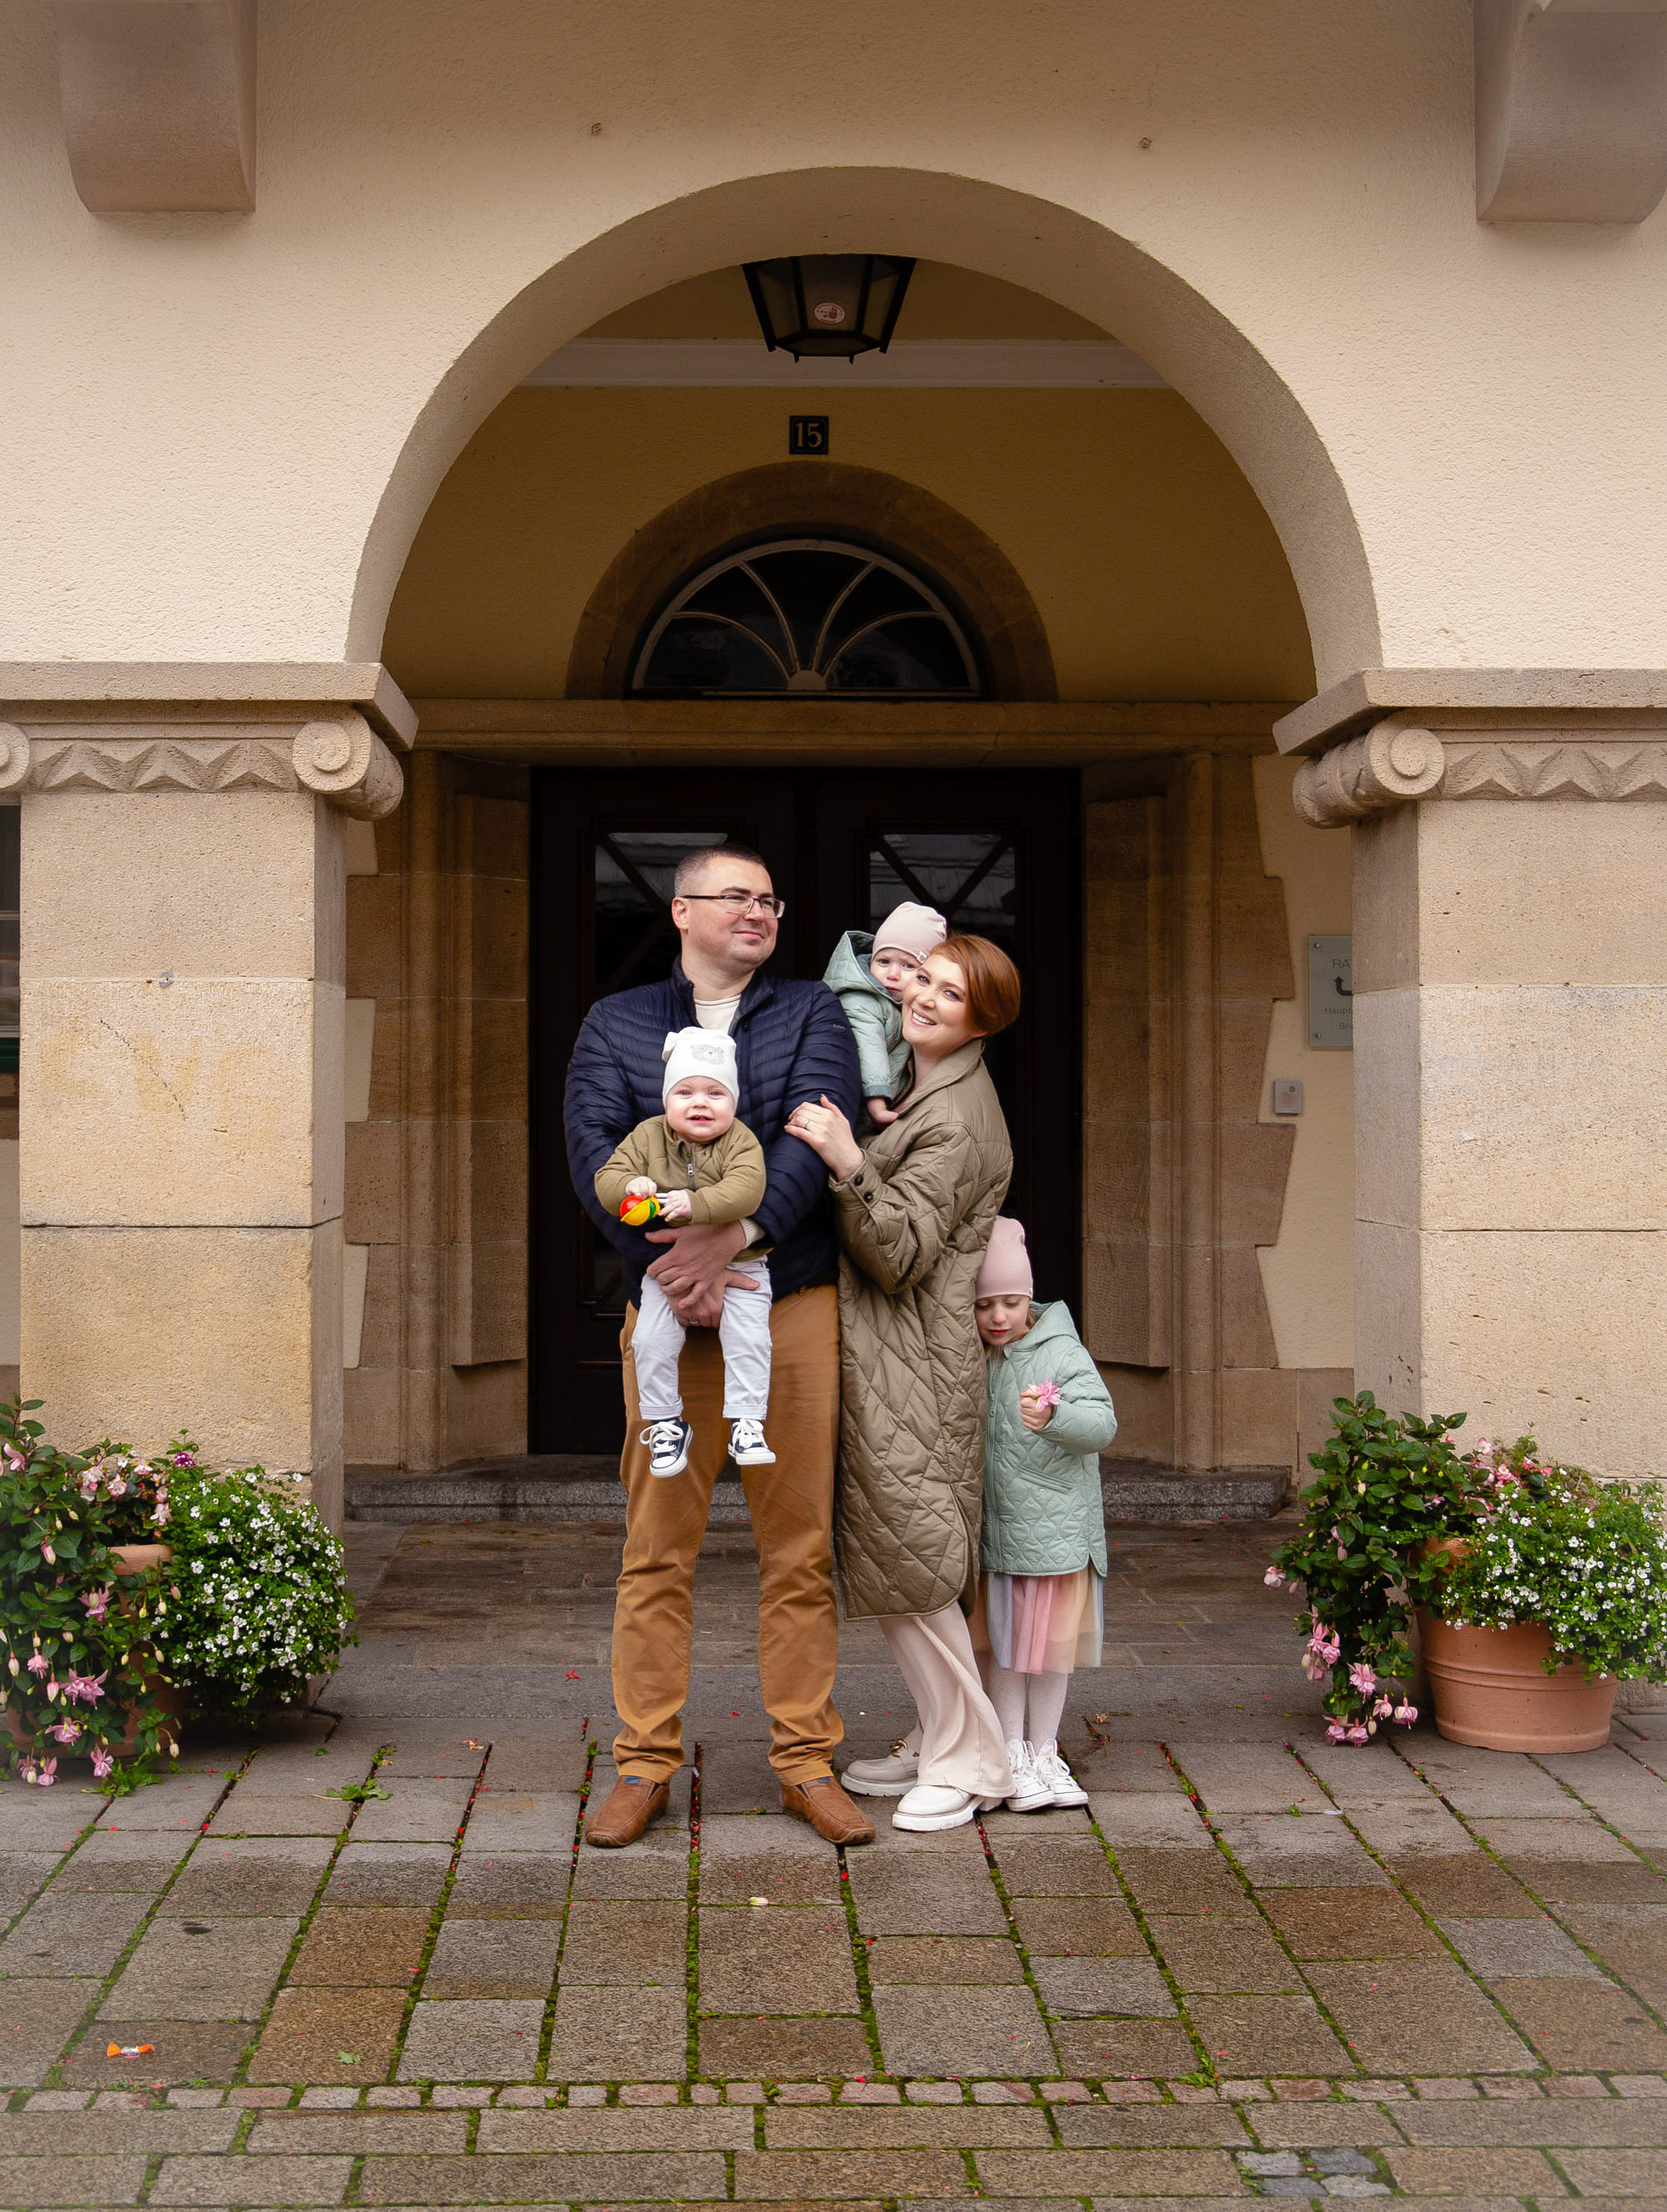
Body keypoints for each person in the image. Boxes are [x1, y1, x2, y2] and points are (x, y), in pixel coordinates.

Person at [565, 843, 875, 1850]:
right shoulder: (615, 1023)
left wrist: (731, 1239)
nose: (759, 911)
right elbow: (594, 1149)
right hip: (663, 1304)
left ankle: (805, 1761)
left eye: (769, 898)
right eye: (736, 896)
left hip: (786, 1301)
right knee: (656, 1548)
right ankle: (643, 1763)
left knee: (799, 1548)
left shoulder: (812, 1014)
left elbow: (805, 1133)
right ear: (682, 908)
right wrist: (675, 1264)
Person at [787, 934, 1019, 1833]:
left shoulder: (957, 1114)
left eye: (949, 993)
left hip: (913, 1359)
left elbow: (899, 1253)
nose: (922, 996)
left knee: (917, 1561)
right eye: (923, 977)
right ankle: (938, 1735)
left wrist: (848, 1162)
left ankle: (973, 1760)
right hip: (898, 1358)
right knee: (902, 1554)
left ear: (981, 1020)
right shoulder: (927, 1085)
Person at [969, 1216, 1119, 1811]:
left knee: (1050, 1649)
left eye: (1010, 1302)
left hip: (1055, 1536)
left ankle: (1045, 1750)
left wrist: (1055, 1421)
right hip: (998, 1536)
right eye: (984, 1305)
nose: (999, 1317)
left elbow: (1101, 1423)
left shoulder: (1060, 1351)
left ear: (1029, 1298)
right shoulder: (972, 1357)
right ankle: (1008, 1752)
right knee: (1004, 1646)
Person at [592, 1025, 774, 1478]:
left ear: (733, 1102)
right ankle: (665, 1421)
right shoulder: (647, 1136)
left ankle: (748, 1420)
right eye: (685, 1091)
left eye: (716, 1092)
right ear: (666, 1100)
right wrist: (628, 1187)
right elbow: (606, 1179)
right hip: (667, 1266)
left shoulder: (741, 1141)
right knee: (649, 1340)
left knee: (750, 1337)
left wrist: (698, 1204)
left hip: (743, 1261)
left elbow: (747, 1191)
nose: (700, 1102)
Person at [821, 900, 947, 1128]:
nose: (892, 974)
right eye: (883, 961)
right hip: (856, 1106)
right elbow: (870, 1050)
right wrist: (877, 1106)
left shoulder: (902, 1005)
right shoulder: (861, 1000)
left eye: (908, 966)